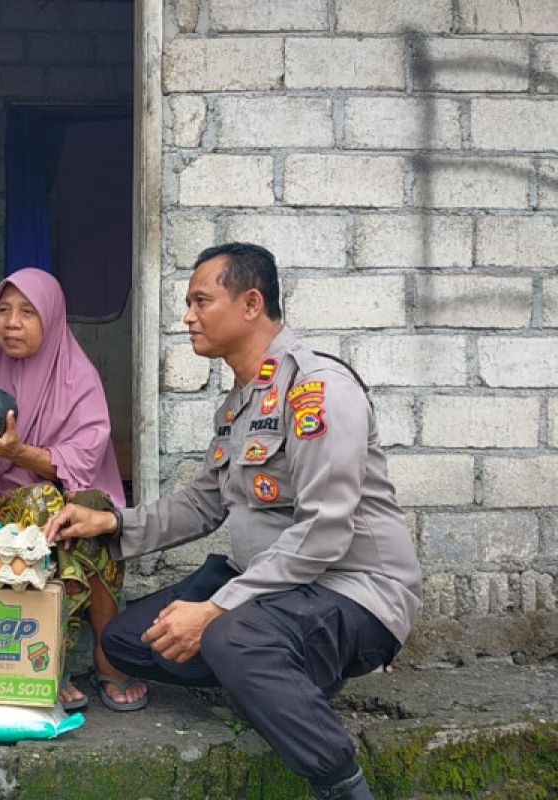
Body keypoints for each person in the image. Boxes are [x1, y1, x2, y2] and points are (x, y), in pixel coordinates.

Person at [43, 243, 421, 799]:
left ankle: (341, 781)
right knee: (129, 640)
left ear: (250, 304)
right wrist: (113, 525)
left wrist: (217, 609)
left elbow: (325, 532)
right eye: (187, 303)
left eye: (200, 301)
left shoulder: (315, 390)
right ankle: (281, 676)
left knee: (226, 634)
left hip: (353, 593)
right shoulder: (242, 403)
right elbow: (203, 502)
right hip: (275, 592)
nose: (187, 316)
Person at [0, 268, 147, 713]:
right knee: (48, 508)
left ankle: (75, 659)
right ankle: (83, 662)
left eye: (27, 312)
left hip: (69, 509)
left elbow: (84, 463)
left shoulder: (79, 376)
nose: (12, 322)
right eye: (4, 310)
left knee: (82, 516)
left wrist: (17, 452)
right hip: (3, 513)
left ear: (50, 318)